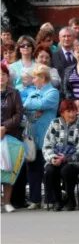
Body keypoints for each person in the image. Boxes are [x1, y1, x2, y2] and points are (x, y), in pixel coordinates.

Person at [22, 64, 60, 209]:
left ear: (43, 77)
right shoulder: (32, 92)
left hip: (47, 137)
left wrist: (36, 106)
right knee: (32, 169)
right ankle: (35, 200)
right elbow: (25, 108)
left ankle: (50, 198)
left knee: (46, 169)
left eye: (35, 78)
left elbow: (43, 103)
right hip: (33, 137)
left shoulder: (53, 92)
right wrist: (36, 107)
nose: (33, 81)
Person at [42, 99, 79, 211]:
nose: (72, 114)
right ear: (62, 112)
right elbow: (47, 145)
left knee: (66, 170)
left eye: (73, 111)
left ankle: (70, 199)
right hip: (56, 157)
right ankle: (58, 200)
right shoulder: (55, 123)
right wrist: (53, 158)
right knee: (50, 170)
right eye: (69, 111)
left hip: (73, 159)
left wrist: (66, 158)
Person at [0, 63, 24, 212]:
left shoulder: (14, 93)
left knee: (8, 170)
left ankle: (7, 201)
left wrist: (4, 126)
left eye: (3, 75)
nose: (0, 78)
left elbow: (18, 114)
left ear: (7, 77)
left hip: (10, 137)